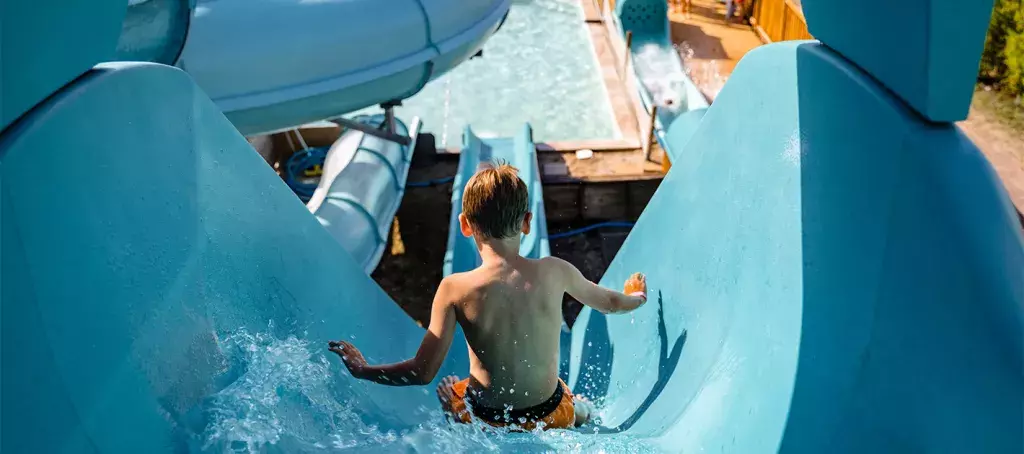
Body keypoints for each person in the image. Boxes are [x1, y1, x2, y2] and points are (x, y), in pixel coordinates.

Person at [329, 162, 648, 431]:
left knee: (451, 391)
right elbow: (610, 303)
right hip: (549, 413)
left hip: (487, 419)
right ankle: (581, 412)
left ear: (465, 225)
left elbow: (421, 372)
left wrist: (362, 369)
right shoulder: (555, 271)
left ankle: (455, 413)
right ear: (526, 223)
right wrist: (636, 298)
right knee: (570, 404)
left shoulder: (454, 288)